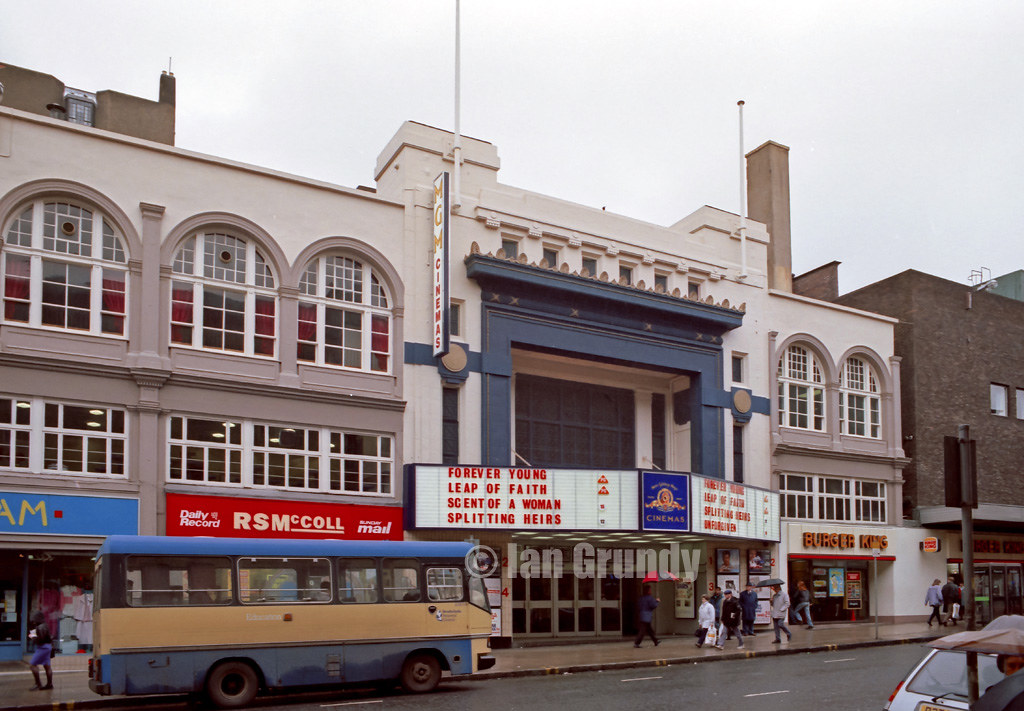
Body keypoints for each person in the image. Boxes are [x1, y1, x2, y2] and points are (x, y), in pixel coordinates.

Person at [28, 611, 53, 691]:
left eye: (34, 619)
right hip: (48, 647)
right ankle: (49, 684)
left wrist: (33, 637)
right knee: (47, 666)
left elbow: (40, 639)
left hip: (42, 648)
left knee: (32, 665)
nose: (33, 621)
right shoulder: (45, 625)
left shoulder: (40, 627)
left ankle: (38, 684)